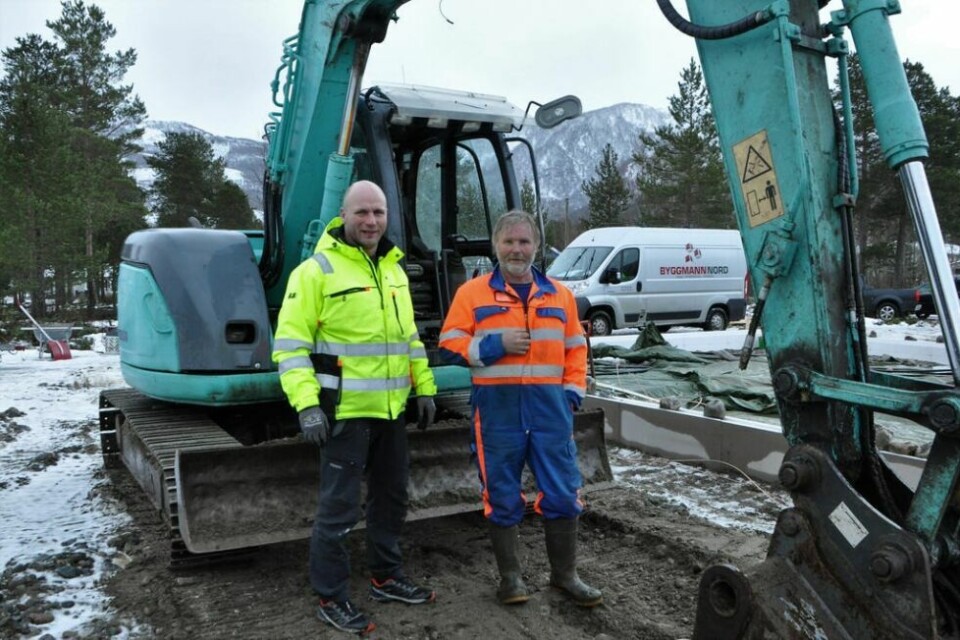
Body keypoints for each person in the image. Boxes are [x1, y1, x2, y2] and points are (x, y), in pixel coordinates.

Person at [273, 180, 438, 635]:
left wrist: (423, 387)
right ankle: (331, 595)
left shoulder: (394, 270)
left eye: (378, 213)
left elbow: (408, 339)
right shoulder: (316, 271)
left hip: (390, 412)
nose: (370, 221)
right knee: (339, 511)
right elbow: (289, 347)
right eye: (362, 213)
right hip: (344, 415)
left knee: (391, 499)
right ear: (343, 216)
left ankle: (386, 576)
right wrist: (307, 405)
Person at [438, 210, 602, 608]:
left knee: (563, 493)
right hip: (498, 412)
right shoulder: (472, 294)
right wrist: (494, 346)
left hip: (550, 412)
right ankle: (510, 578)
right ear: (496, 246)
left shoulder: (559, 295)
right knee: (502, 494)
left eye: (524, 241)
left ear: (536, 247)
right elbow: (448, 343)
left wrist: (571, 395)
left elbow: (576, 349)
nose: (516, 249)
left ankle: (565, 576)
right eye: (509, 241)